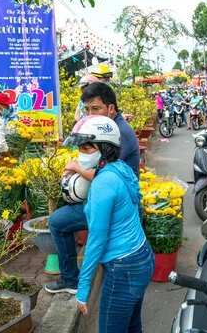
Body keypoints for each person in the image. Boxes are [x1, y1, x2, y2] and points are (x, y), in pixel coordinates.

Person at [59, 115, 155, 333]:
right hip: (141, 257)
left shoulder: (104, 182)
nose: (81, 154)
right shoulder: (119, 168)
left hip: (124, 268)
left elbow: (97, 238)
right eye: (80, 148)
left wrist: (83, 287)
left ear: (105, 147)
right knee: (132, 327)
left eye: (87, 148)